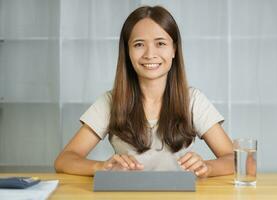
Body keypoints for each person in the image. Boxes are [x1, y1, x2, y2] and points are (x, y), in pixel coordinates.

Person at [54, 5, 234, 178]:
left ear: (174, 49)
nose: (150, 54)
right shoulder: (110, 101)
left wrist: (208, 167)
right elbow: (64, 159)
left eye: (160, 43)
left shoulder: (193, 100)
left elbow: (238, 161)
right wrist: (100, 167)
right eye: (139, 44)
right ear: (127, 51)